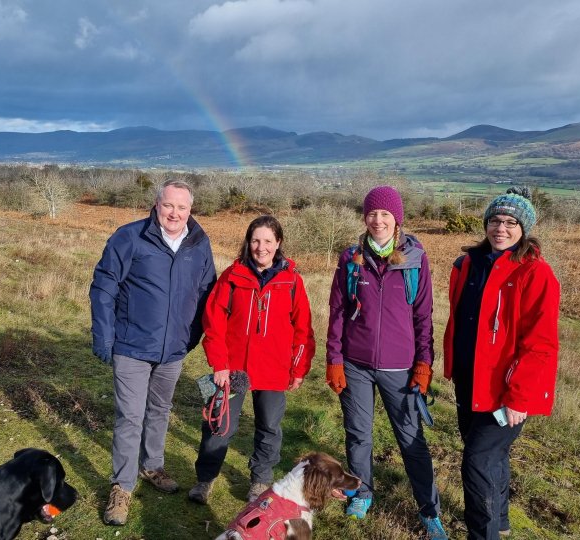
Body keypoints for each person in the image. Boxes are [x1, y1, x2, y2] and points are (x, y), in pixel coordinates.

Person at [89, 178, 217, 526]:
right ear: (157, 204)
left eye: (182, 207)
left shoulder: (198, 243)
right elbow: (103, 288)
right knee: (130, 417)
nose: (174, 213)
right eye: (168, 205)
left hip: (173, 350)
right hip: (131, 346)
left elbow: (207, 294)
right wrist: (104, 337)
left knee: (160, 410)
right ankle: (122, 487)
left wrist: (191, 339)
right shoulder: (129, 237)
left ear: (191, 209)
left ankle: (152, 467)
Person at [325, 185, 448, 539]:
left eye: (385, 215)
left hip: (401, 368)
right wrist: (334, 358)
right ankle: (362, 494)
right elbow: (337, 312)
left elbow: (424, 317)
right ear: (364, 217)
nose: (378, 220)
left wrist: (424, 365)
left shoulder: (415, 259)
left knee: (412, 440)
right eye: (372, 214)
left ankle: (429, 509)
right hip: (355, 365)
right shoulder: (351, 258)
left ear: (397, 219)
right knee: (358, 436)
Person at [443, 187, 559, 540]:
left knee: (477, 461)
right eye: (495, 220)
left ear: (524, 228)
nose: (501, 228)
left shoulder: (534, 273)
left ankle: (483, 533)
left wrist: (519, 396)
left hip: (506, 389)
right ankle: (502, 522)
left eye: (510, 222)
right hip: (469, 380)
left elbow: (541, 344)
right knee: (492, 456)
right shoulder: (467, 265)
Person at [188, 216, 316, 505]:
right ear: (248, 242)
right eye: (256, 240)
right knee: (220, 425)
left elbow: (303, 330)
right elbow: (213, 322)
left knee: (269, 426)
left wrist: (298, 369)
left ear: (278, 243)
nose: (261, 247)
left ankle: (260, 482)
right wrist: (219, 363)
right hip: (233, 369)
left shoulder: (292, 281)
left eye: (268, 241)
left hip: (274, 369)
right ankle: (205, 480)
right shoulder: (232, 277)